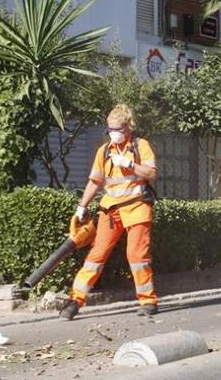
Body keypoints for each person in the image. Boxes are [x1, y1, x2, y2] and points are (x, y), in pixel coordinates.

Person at [59, 104, 159, 320]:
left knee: (137, 256)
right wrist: (81, 207)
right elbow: (95, 182)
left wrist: (130, 164)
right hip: (110, 210)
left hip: (137, 207)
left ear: (128, 127)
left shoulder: (141, 147)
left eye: (118, 129)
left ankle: (148, 300)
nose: (113, 133)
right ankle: (75, 301)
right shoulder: (103, 152)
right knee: (96, 255)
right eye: (110, 129)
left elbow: (151, 173)